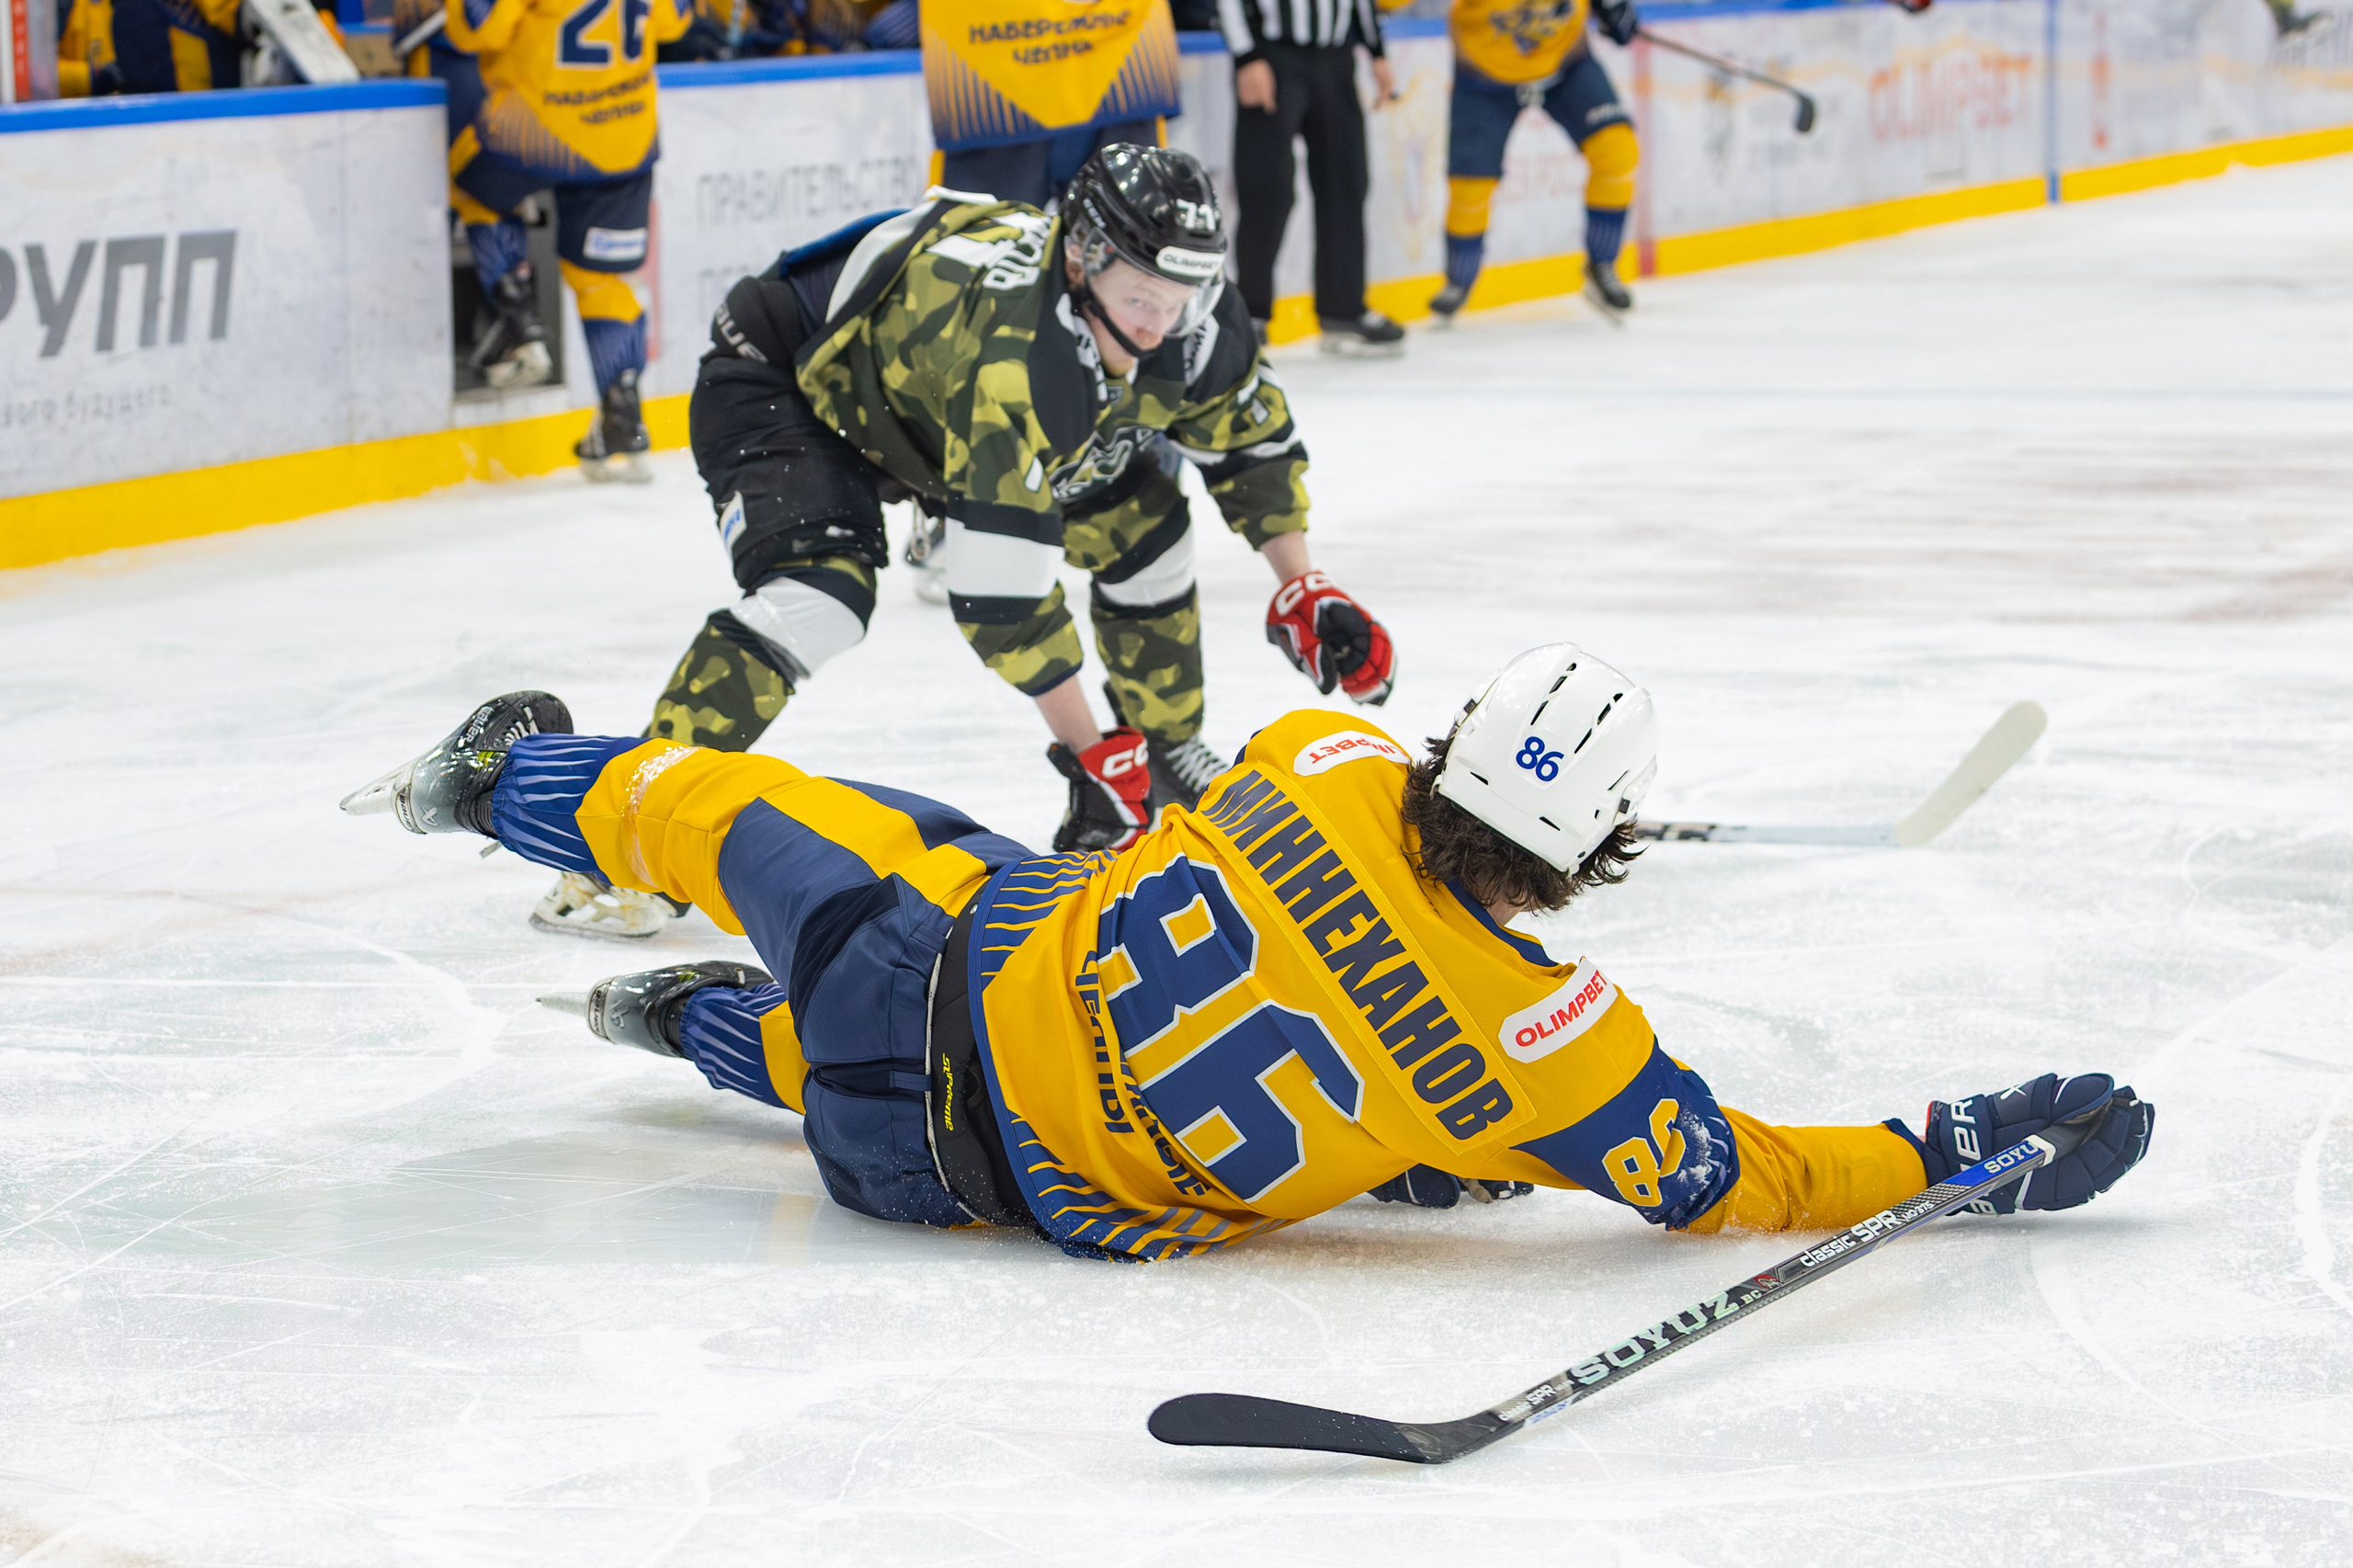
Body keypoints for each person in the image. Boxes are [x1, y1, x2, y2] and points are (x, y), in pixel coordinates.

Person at [340, 644, 2155, 1258]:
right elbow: (1737, 1178)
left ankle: (486, 777)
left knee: (732, 805)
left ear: (1448, 741)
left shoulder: (1323, 754)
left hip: (947, 961)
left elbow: (1223, 793)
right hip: (957, 1180)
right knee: (844, 1080)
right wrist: (1951, 1157)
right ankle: (683, 1025)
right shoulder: (1565, 1052)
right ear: (1591, 855)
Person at [530, 144, 1395, 940]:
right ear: (1080, 259)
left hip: (919, 404)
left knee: (1143, 513)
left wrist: (1302, 586)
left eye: (1182, 299)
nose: (1161, 329)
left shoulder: (1173, 316)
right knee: (819, 600)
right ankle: (621, 837)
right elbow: (1004, 598)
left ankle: (1164, 747)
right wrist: (1087, 752)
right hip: (786, 376)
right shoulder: (1013, 350)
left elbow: (1250, 443)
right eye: (1142, 300)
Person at [442, 0, 690, 478]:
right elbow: (675, 20)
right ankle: (622, 411)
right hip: (625, 138)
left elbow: (478, 32)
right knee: (599, 279)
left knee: (475, 189)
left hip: (538, 129)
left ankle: (516, 315)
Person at [1430, 0, 1642, 324]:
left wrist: (1613, 8)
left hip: (1566, 63)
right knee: (1470, 188)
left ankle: (1602, 264)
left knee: (1617, 150)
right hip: (1483, 75)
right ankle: (1459, 279)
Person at [1218, 0, 1406, 354]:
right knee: (1267, 189)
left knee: (1346, 183)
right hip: (1273, 55)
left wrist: (1377, 50)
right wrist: (1245, 55)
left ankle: (1343, 311)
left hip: (1336, 58)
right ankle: (1251, 313)